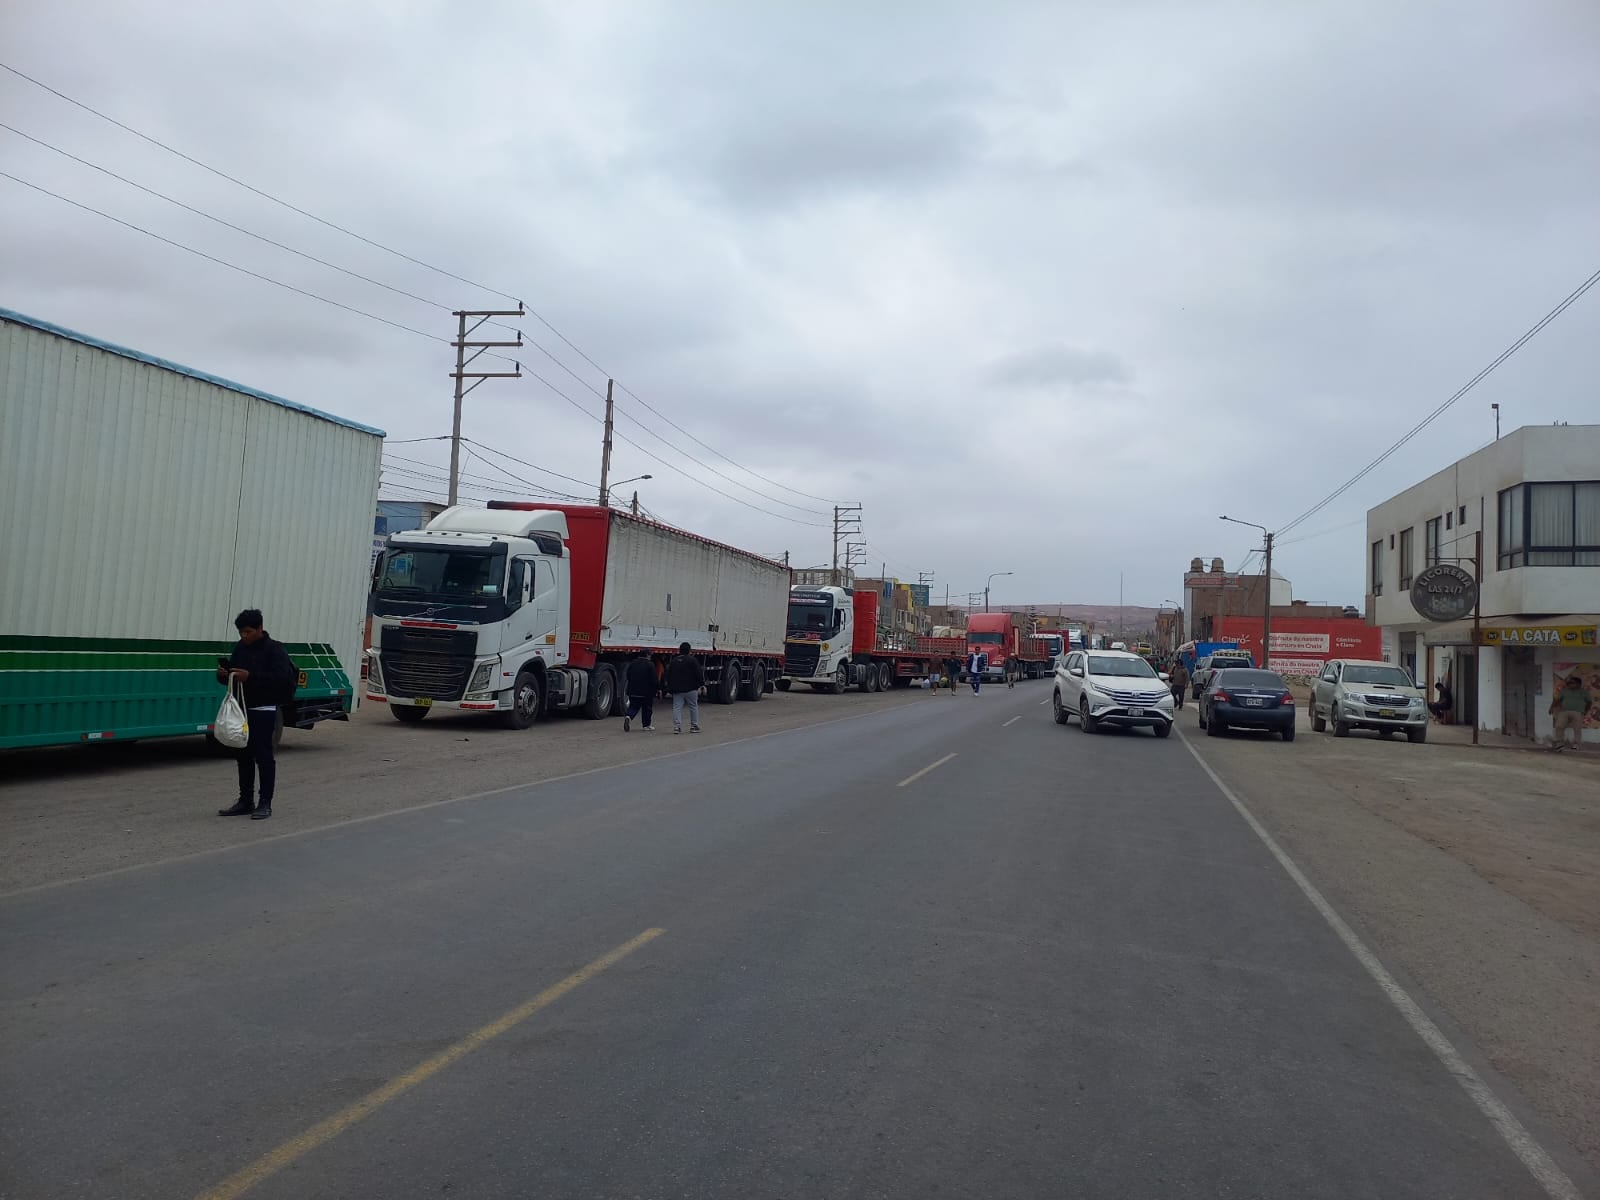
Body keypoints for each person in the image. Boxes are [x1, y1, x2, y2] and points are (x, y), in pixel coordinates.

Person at [216, 609, 296, 820]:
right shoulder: (240, 648)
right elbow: (233, 677)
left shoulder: (275, 650)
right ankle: (245, 800)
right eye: (241, 632)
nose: (244, 636)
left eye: (248, 632)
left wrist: (250, 677)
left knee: (264, 756)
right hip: (241, 709)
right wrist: (225, 675)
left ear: (260, 628)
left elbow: (282, 679)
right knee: (242, 754)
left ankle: (265, 802)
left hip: (263, 709)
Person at [666, 641, 704, 734]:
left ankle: (676, 727)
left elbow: (668, 675)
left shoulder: (673, 661)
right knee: (693, 706)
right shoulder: (693, 660)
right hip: (691, 688)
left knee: (677, 707)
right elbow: (698, 673)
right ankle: (694, 726)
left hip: (677, 689)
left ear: (680, 650)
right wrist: (701, 684)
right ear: (689, 651)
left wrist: (669, 687)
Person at [1549, 673, 1591, 751]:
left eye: (1572, 683)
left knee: (1577, 728)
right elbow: (1557, 700)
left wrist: (1585, 711)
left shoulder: (1584, 692)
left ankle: (1576, 744)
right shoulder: (1565, 691)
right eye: (1569, 683)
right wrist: (1551, 707)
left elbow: (1589, 702)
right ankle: (1559, 743)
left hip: (1578, 712)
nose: (1569, 684)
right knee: (1559, 726)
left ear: (1578, 684)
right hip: (1564, 711)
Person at [623, 651, 657, 732]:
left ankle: (628, 716)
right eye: (650, 655)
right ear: (647, 655)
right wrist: (657, 688)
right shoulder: (650, 664)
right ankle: (646, 725)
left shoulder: (633, 663)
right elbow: (654, 679)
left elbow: (628, 675)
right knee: (647, 708)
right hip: (646, 691)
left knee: (633, 706)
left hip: (633, 690)